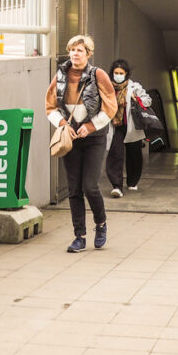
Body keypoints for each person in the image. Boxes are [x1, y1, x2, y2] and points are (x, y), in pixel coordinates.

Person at [45, 35, 118, 253]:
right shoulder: (60, 75)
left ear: (88, 54)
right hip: (71, 138)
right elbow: (50, 106)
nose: (76, 54)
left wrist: (92, 126)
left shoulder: (98, 75)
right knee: (74, 189)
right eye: (73, 50)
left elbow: (110, 106)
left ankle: (101, 224)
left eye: (80, 50)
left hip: (94, 138)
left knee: (90, 186)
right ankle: (80, 236)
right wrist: (62, 123)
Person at [105, 59, 152, 197]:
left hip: (131, 126)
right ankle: (116, 186)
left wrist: (136, 99)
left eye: (121, 73)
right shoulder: (107, 87)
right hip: (116, 125)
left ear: (126, 74)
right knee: (115, 154)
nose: (118, 75)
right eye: (116, 73)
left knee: (134, 155)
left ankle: (132, 182)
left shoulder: (134, 86)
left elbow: (148, 100)